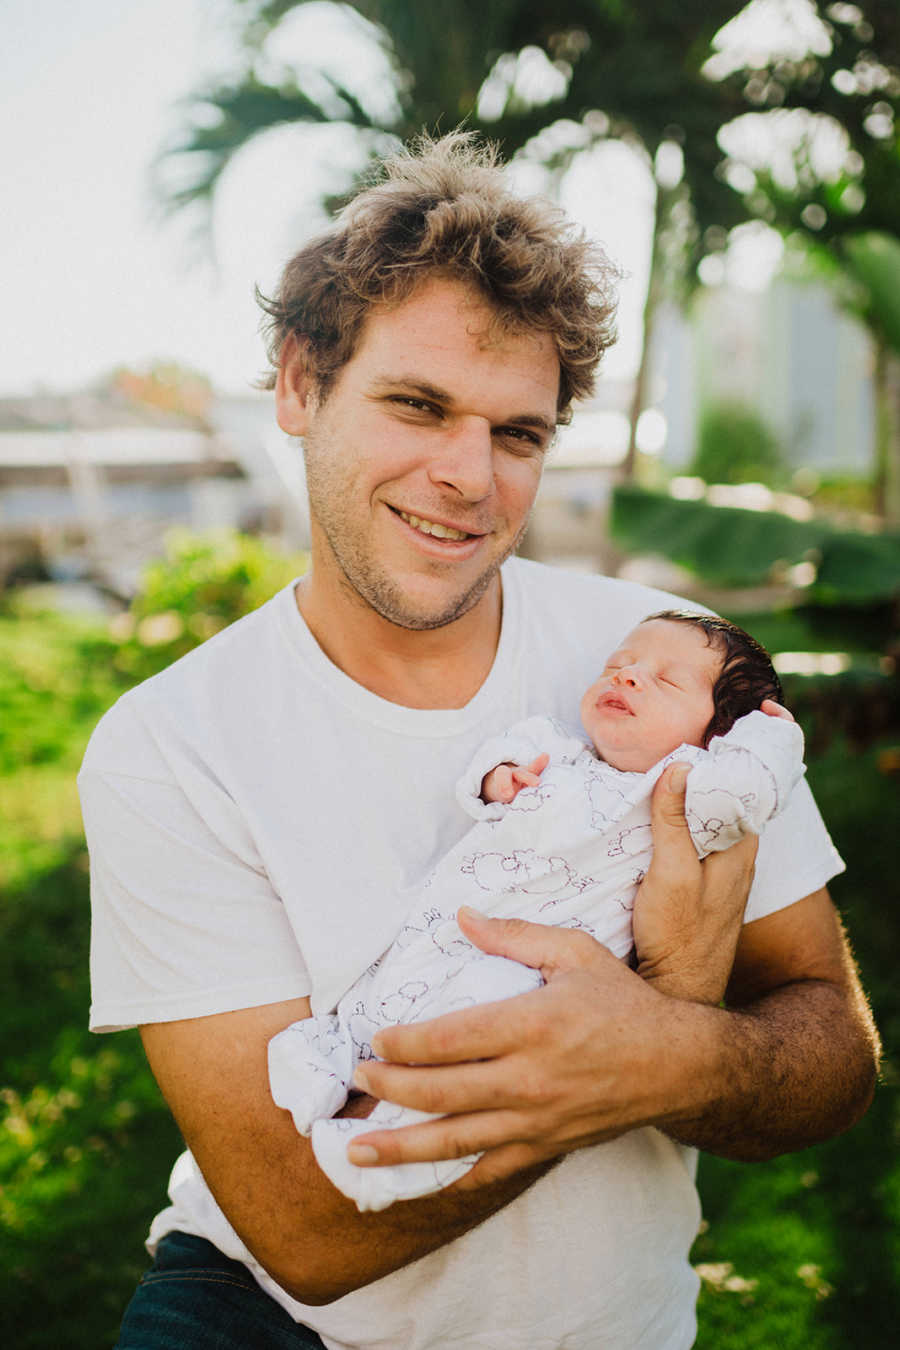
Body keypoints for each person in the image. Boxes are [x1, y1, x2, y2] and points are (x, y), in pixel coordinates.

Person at [78, 133, 878, 1350]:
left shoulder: (670, 669)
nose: (469, 475)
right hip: (263, 1318)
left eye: (518, 433)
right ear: (299, 384)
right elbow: (306, 1233)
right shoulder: (170, 747)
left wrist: (677, 1057)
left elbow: (831, 1041)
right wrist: (624, 1057)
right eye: (417, 404)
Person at [269, 611, 806, 1213]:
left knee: (473, 1034)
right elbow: (499, 761)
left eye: (664, 680)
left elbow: (753, 789)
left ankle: (393, 1145)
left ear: (718, 735)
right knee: (388, 983)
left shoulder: (687, 789)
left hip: (534, 973)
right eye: (619, 666)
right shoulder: (560, 749)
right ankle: (331, 1055)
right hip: (454, 921)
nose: (627, 677)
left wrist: (772, 734)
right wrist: (501, 777)